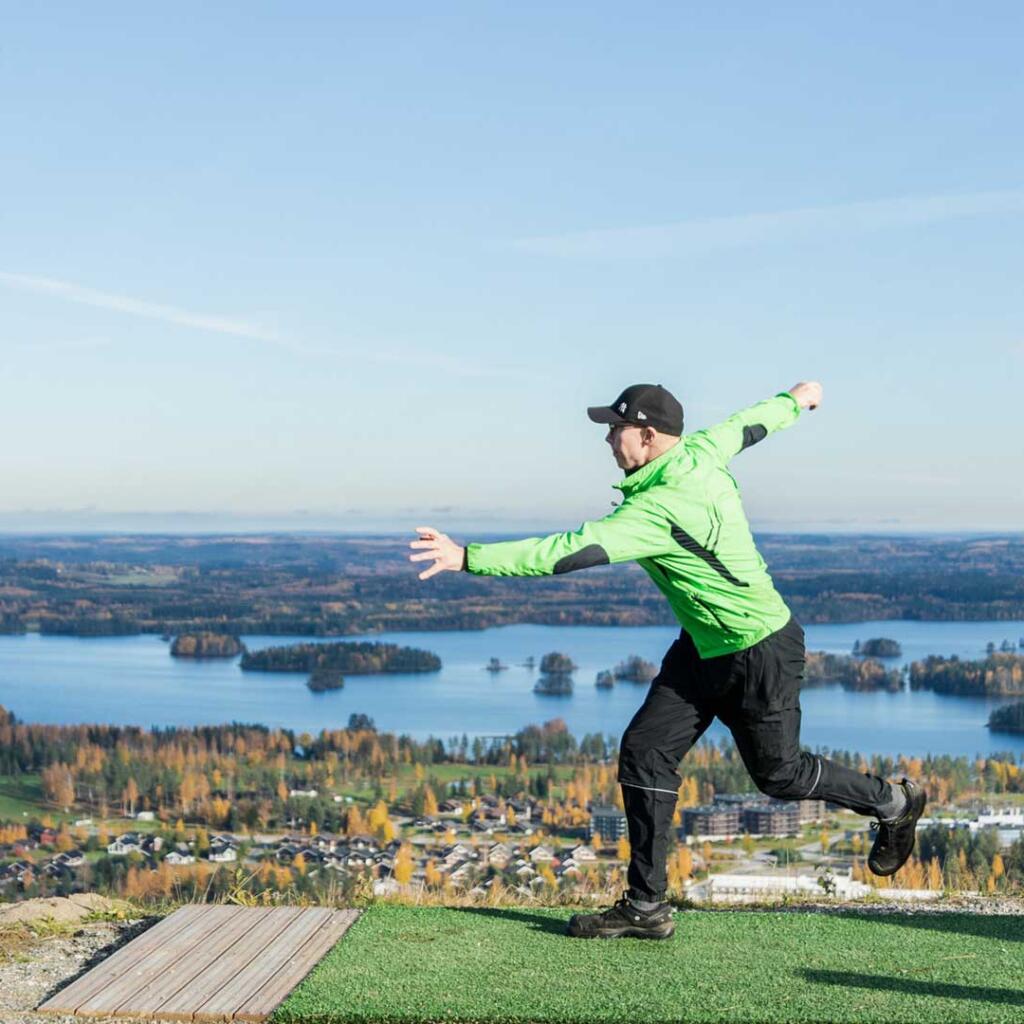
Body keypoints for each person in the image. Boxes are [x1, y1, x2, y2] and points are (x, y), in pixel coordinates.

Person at [408, 382, 927, 940]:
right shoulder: (700, 449)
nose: (608, 438)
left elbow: (565, 552)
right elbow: (749, 424)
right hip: (702, 646)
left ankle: (894, 802)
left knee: (780, 775)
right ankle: (646, 905)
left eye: (616, 428)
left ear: (648, 436)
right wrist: (797, 400)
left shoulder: (657, 507)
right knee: (645, 751)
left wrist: (468, 558)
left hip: (758, 650)